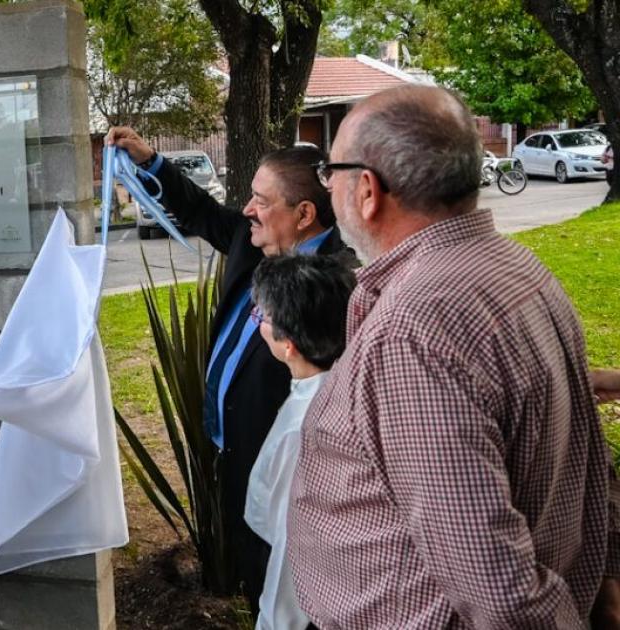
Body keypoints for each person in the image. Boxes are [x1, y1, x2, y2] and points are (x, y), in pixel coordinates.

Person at [288, 84, 615, 627]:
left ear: (367, 190)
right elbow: (589, 459)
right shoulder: (519, 268)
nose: (328, 187)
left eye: (332, 171)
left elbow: (499, 589)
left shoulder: (414, 330)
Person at [107, 126, 356, 607]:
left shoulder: (337, 287)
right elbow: (202, 211)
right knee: (252, 570)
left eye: (261, 200)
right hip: (233, 455)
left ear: (304, 214)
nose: (247, 210)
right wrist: (150, 160)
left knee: (282, 580)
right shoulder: (253, 238)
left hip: (284, 473)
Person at [244, 254, 355, 630]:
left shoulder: (303, 432)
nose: (257, 322)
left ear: (288, 344)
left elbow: (291, 551)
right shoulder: (344, 389)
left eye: (262, 317)